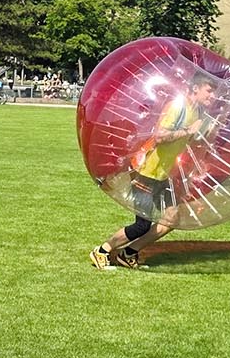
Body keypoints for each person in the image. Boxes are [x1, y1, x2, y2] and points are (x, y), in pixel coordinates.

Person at [91, 72, 220, 269]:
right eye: (209, 91)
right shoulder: (179, 106)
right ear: (196, 88)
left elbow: (190, 141)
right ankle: (102, 251)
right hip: (147, 171)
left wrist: (209, 132)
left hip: (164, 174)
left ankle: (129, 253)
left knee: (172, 218)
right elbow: (160, 136)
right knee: (142, 225)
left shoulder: (197, 112)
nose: (213, 96)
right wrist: (188, 131)